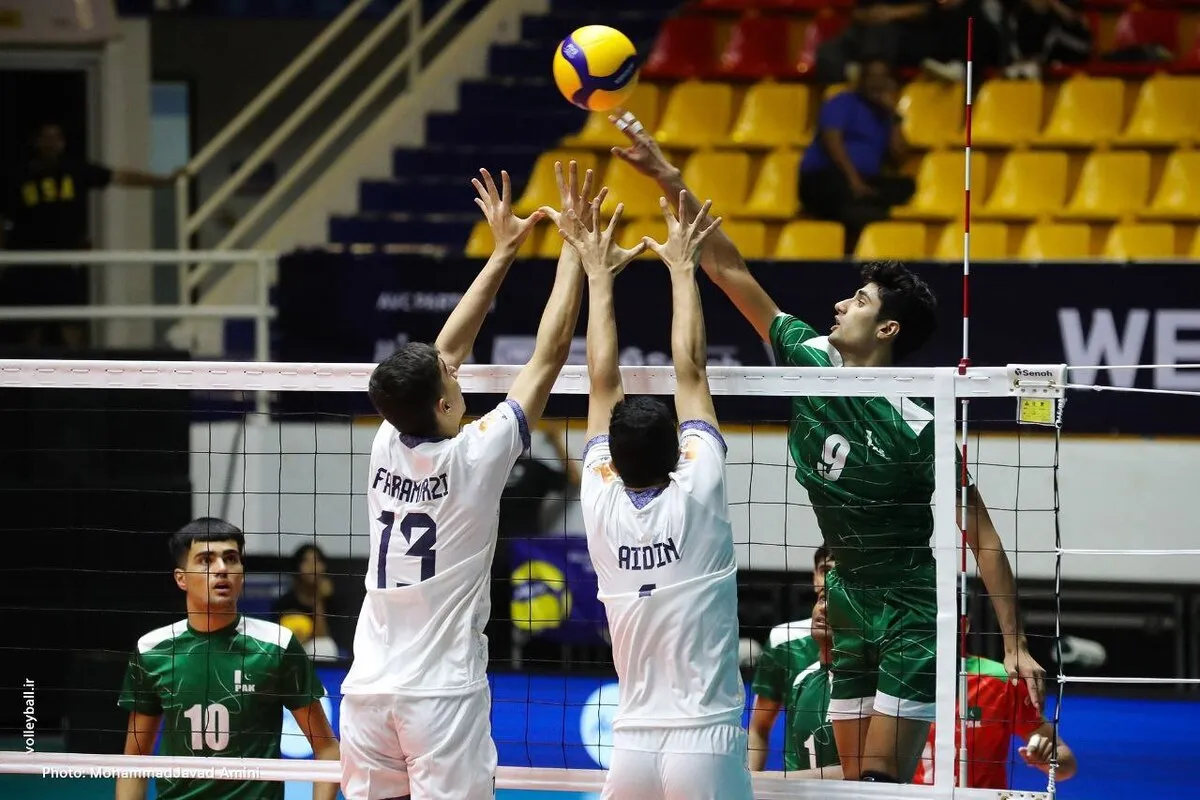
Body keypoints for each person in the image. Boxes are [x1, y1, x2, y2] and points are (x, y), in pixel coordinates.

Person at [604, 108, 1045, 784]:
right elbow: (727, 267)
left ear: (888, 328)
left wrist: (1014, 643)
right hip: (843, 596)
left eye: (859, 300)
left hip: (910, 606)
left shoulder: (921, 422)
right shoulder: (807, 359)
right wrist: (666, 174)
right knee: (845, 781)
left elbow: (981, 536)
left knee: (882, 783)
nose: (841, 305)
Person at [338, 162, 614, 800]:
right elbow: (548, 356)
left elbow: (443, 355)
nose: (456, 373)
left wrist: (504, 251)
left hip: (367, 688)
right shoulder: (476, 455)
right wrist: (572, 247)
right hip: (440, 693)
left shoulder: (387, 440)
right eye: (451, 380)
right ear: (442, 403)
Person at [561, 188, 749, 800]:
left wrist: (598, 276)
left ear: (612, 460)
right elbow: (691, 370)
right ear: (678, 451)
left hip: (633, 740)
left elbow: (600, 381)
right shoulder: (699, 485)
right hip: (705, 734)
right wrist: (682, 267)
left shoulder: (598, 497)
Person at [116, 518, 339, 800]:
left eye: (231, 558)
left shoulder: (277, 645)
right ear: (181, 578)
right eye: (206, 560)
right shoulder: (152, 650)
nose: (222, 568)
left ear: (241, 574)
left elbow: (327, 748)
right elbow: (135, 761)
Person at [0, 121, 180, 348]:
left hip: (65, 263)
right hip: (29, 263)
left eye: (57, 138)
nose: (52, 144)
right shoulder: (17, 176)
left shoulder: (74, 171)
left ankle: (79, 369)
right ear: (36, 142)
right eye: (47, 138)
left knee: (73, 325)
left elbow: (119, 177)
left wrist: (164, 181)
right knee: (29, 327)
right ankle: (28, 372)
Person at [798, 57, 914, 256]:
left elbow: (899, 157)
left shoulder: (884, 115)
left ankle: (861, 206)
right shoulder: (841, 102)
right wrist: (854, 181)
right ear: (861, 80)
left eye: (882, 77)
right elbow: (832, 141)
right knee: (839, 191)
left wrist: (894, 117)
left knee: (906, 185)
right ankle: (861, 210)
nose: (877, 83)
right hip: (827, 176)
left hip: (864, 180)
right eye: (872, 77)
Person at [748, 546, 839, 775]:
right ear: (815, 577)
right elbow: (758, 728)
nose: (831, 581)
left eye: (840, 573)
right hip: (797, 783)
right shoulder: (784, 640)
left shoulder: (875, 644)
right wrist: (751, 783)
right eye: (826, 571)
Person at [273, 543, 346, 660]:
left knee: (324, 647)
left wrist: (319, 599)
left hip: (319, 652)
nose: (312, 567)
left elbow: (323, 637)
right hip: (291, 652)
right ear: (297, 567)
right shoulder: (285, 602)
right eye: (306, 561)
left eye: (317, 561)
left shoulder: (333, 601)